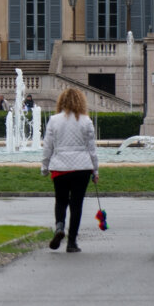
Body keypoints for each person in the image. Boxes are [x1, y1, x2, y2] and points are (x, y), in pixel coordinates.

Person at [39, 87, 100, 253]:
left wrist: (44, 166)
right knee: (77, 204)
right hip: (82, 167)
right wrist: (95, 170)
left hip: (60, 167)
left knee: (61, 200)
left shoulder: (54, 120)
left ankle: (59, 226)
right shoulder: (86, 121)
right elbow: (91, 149)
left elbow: (48, 146)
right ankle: (72, 242)